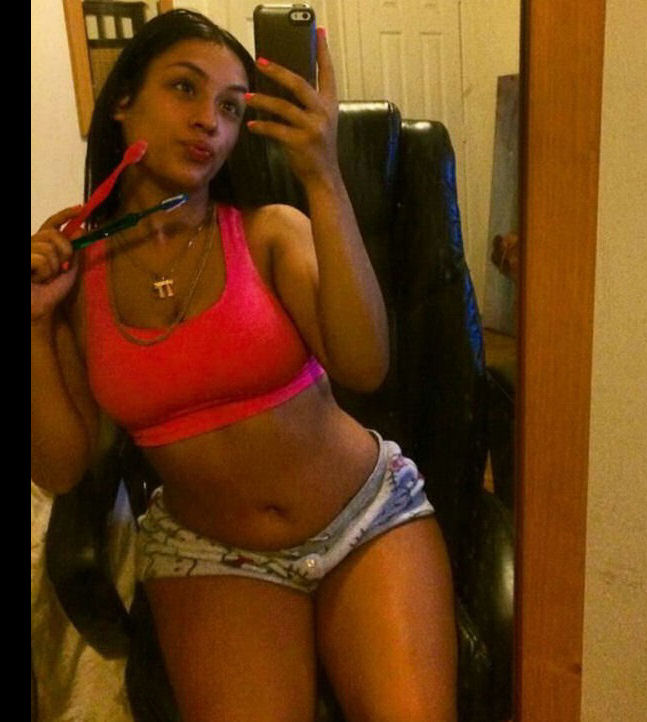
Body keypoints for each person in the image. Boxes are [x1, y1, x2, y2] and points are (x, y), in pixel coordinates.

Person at [31, 9, 457, 721]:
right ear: (122, 102)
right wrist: (36, 322)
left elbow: (365, 366)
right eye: (184, 88)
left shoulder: (270, 233)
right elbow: (61, 468)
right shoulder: (79, 277)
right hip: (211, 554)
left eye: (231, 107)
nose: (209, 121)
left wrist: (322, 173)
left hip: (365, 518)